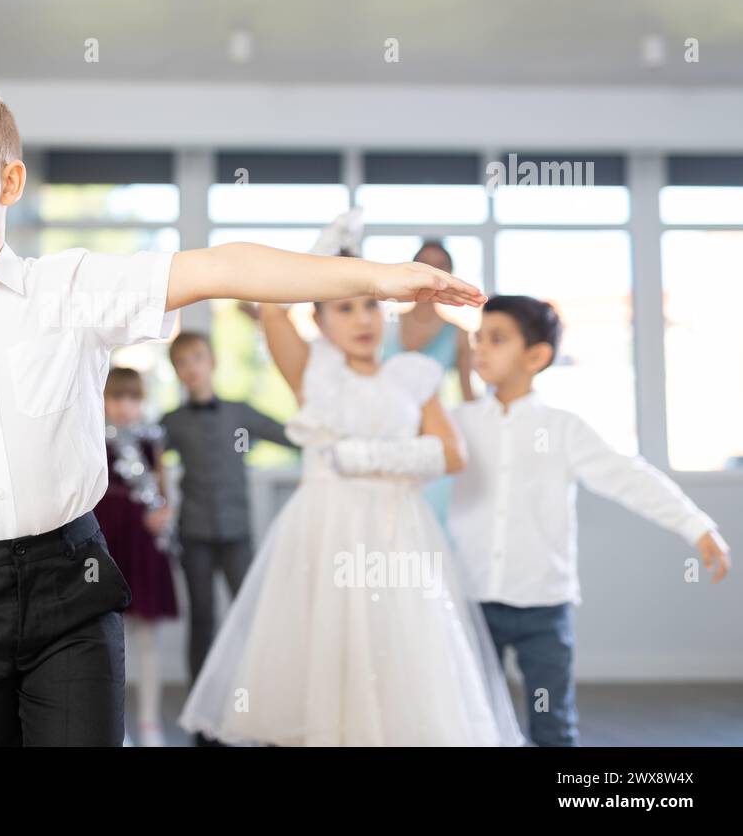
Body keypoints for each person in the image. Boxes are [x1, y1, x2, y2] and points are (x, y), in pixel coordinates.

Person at [0, 77, 485, 746]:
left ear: (9, 181)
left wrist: (376, 276)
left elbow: (223, 267)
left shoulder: (72, 288)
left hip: (70, 586)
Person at [178, 214, 521, 746]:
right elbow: (271, 306)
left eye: (369, 304)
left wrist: (361, 457)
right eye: (344, 306)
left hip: (396, 530)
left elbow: (451, 454)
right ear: (320, 319)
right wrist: (323, 252)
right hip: (326, 530)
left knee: (406, 655)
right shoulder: (311, 369)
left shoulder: (412, 376)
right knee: (327, 654)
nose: (362, 318)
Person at [447, 294, 732, 746]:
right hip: (473, 597)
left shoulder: (563, 428)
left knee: (552, 722)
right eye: (478, 338)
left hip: (544, 602)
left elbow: (628, 477)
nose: (480, 347)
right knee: (472, 717)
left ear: (536, 356)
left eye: (497, 339)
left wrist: (695, 524)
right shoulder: (456, 423)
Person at [159, 329, 298, 745]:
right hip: (195, 536)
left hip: (237, 533)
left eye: (197, 358)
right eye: (182, 363)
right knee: (203, 622)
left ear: (212, 361)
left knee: (252, 619)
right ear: (177, 372)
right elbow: (142, 458)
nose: (192, 368)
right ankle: (203, 719)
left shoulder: (240, 413)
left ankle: (264, 711)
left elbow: (289, 435)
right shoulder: (172, 423)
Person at [98, 367, 178, 746]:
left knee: (147, 638)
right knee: (110, 642)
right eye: (116, 398)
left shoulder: (151, 439)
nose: (124, 407)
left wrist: (164, 512)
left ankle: (149, 723)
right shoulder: (95, 438)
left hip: (143, 542)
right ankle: (118, 726)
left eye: (132, 398)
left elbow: (161, 487)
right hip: (107, 542)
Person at [379, 239, 475, 535]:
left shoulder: (457, 335)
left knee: (430, 532)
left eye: (441, 266)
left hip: (432, 448)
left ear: (450, 275)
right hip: (386, 442)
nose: (433, 272)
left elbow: (468, 396)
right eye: (426, 264)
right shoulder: (384, 327)